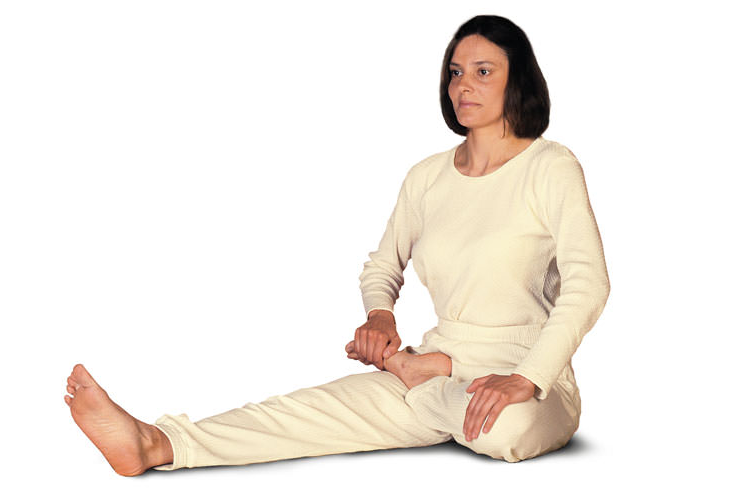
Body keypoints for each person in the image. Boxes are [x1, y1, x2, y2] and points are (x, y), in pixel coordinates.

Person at [64, 14, 610, 476]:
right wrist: (379, 318)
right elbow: (382, 266)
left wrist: (525, 378)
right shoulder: (427, 177)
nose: (463, 85)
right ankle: (158, 444)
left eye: (483, 71)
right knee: (310, 412)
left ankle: (425, 377)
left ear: (518, 81)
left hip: (527, 368)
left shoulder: (550, 167)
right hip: (443, 356)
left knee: (503, 432)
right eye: (455, 73)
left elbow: (588, 285)